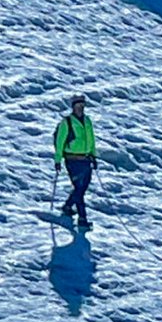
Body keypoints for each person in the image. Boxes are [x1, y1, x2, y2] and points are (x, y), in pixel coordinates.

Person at [53, 95, 97, 229]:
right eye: (78, 106)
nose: (81, 108)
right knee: (79, 188)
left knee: (82, 188)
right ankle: (82, 218)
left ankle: (67, 206)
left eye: (82, 106)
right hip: (72, 160)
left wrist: (93, 155)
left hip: (86, 159)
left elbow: (92, 139)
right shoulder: (66, 122)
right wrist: (58, 160)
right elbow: (60, 141)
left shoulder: (87, 121)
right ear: (73, 107)